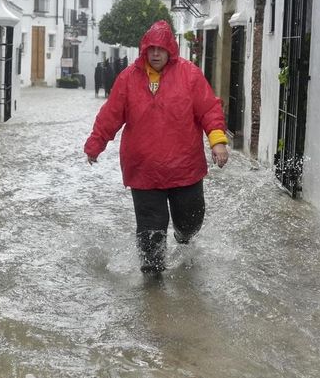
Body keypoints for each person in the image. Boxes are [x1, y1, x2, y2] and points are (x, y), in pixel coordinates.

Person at [84, 20, 229, 273]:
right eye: (151, 49)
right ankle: (152, 285)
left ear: (170, 50)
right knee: (151, 232)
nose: (155, 53)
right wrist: (95, 145)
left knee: (190, 221)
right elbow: (110, 115)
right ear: (144, 50)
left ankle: (183, 243)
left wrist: (217, 142)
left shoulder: (190, 75)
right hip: (144, 172)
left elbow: (209, 110)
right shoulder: (128, 79)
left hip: (185, 169)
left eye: (160, 49)